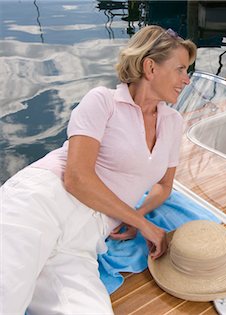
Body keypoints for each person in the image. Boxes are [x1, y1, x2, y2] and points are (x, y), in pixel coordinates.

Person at [0, 25, 196, 314]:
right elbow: (77, 179)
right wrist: (144, 224)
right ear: (150, 67)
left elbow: (164, 186)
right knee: (6, 293)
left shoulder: (173, 122)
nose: (187, 79)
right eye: (180, 69)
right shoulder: (103, 101)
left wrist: (135, 215)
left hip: (87, 239)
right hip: (44, 201)